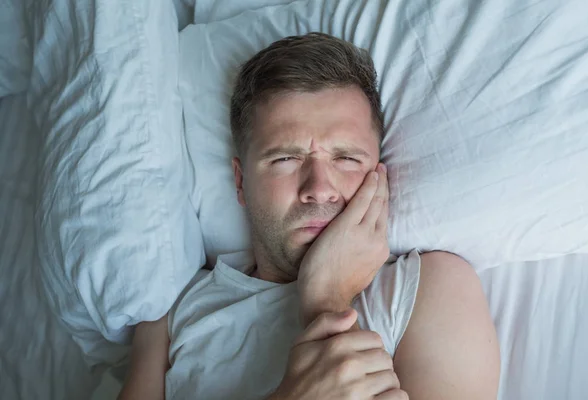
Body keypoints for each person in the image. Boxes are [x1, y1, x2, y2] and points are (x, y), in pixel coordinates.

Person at [118, 32, 500, 400]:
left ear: (378, 174)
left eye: (346, 158)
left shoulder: (427, 288)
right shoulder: (172, 315)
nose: (319, 187)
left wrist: (326, 303)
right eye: (286, 159)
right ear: (240, 182)